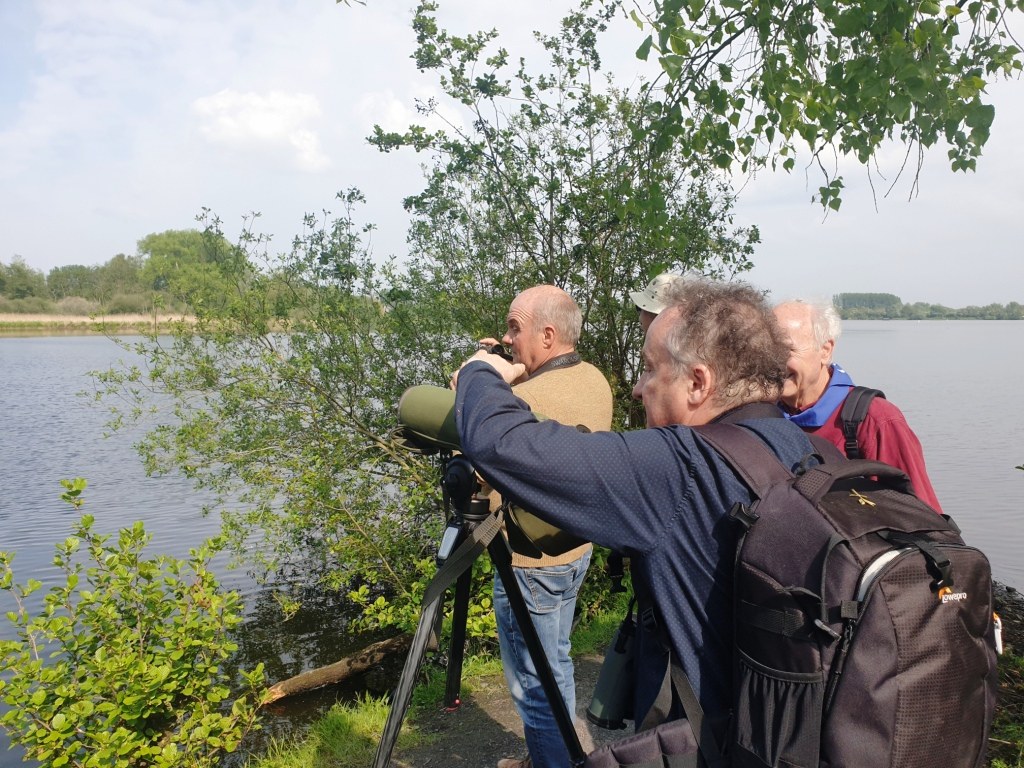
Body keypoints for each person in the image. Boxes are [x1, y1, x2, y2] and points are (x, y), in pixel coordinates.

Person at [452, 278, 818, 747]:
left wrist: (480, 373)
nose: (637, 389)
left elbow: (503, 445)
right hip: (781, 733)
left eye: (649, 369)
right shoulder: (802, 445)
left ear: (698, 383)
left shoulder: (676, 468)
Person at [474, 285, 614, 768]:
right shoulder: (597, 379)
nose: (509, 339)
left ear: (548, 335)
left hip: (528, 562)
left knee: (535, 685)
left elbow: (475, 471)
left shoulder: (520, 398)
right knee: (556, 661)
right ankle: (551, 757)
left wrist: (473, 385)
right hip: (576, 548)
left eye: (516, 328)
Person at [772, 299, 943, 511]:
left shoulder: (876, 419)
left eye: (786, 350)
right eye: (765, 351)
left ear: (825, 350)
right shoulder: (761, 418)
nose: (772, 362)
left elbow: (924, 516)